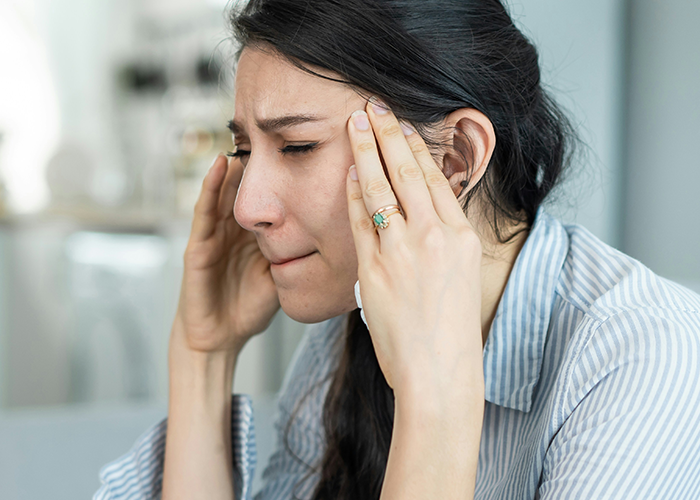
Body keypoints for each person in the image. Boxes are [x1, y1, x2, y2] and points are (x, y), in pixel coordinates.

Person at [94, 0, 700, 499]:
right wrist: (203, 356)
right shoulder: (351, 325)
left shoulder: (645, 355)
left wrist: (434, 401)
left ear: (455, 157)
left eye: (298, 147)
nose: (247, 206)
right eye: (247, 150)